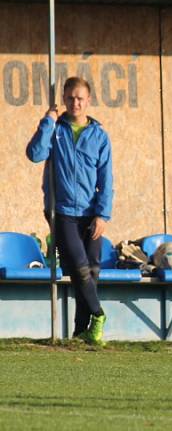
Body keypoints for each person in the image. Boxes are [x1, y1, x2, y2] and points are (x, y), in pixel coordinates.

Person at [26, 76, 113, 345]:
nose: (75, 102)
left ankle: (80, 332)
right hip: (63, 211)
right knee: (79, 267)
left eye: (80, 98)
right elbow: (35, 154)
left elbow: (106, 179)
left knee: (90, 272)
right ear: (63, 99)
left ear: (88, 101)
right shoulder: (56, 130)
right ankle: (99, 315)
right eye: (70, 97)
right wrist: (47, 122)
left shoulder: (99, 135)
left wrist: (103, 214)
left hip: (91, 213)